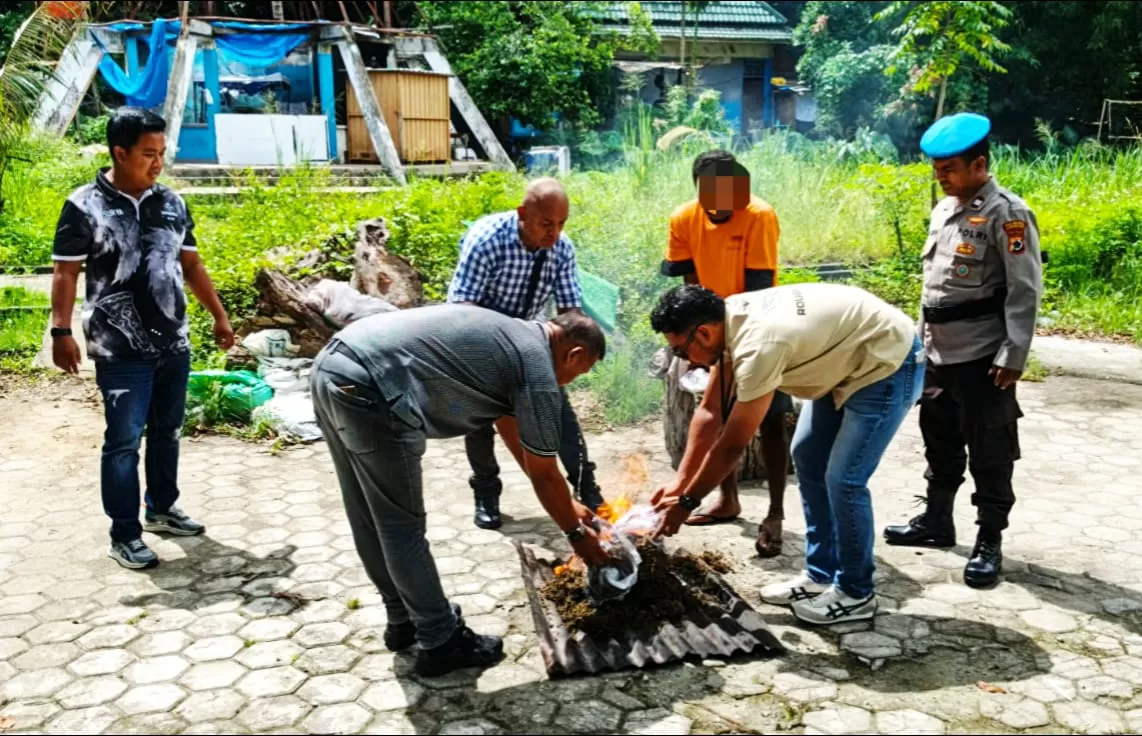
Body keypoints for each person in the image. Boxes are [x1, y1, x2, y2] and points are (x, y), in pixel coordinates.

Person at [310, 304, 611, 676]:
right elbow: (546, 474)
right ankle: (440, 641)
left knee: (366, 513)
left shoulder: (516, 339)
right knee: (399, 525)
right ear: (574, 354)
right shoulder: (538, 369)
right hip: (373, 387)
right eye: (579, 373)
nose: (570, 383)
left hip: (332, 366)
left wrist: (567, 504)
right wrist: (576, 534)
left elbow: (516, 433)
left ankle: (403, 619)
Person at [650, 283, 924, 626]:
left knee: (844, 479)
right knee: (807, 455)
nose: (684, 360)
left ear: (703, 333)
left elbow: (732, 443)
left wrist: (688, 502)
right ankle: (821, 574)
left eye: (680, 350)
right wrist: (680, 483)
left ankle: (856, 593)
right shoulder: (728, 322)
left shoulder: (760, 346)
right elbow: (710, 411)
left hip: (886, 362)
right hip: (844, 356)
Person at [50, 107, 233, 570]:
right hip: (119, 348)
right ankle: (124, 533)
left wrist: (219, 316)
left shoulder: (172, 202)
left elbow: (191, 264)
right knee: (124, 441)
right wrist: (61, 331)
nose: (158, 163)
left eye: (162, 153)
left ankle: (162, 508)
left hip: (173, 341)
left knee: (168, 432)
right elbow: (65, 272)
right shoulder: (84, 205)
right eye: (148, 154)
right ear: (120, 152)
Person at [883, 112, 1043, 589]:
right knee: (940, 441)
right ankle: (937, 520)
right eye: (937, 169)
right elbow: (932, 288)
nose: (941, 176)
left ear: (979, 165)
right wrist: (918, 344)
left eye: (949, 168)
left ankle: (989, 540)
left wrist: (1014, 352)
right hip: (937, 353)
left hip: (982, 357)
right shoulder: (944, 210)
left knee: (991, 450)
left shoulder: (1007, 214)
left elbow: (1025, 288)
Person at [447, 177, 604, 530]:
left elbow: (569, 311)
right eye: (547, 223)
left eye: (562, 223)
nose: (554, 233)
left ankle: (587, 490)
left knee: (558, 409)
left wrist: (578, 351)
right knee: (479, 420)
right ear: (522, 213)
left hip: (531, 340)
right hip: (479, 338)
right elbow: (462, 310)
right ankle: (486, 492)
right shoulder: (487, 240)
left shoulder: (562, 248)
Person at [660, 150, 791, 558]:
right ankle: (727, 498)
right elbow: (690, 288)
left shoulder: (759, 215)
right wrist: (700, 338)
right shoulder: (684, 218)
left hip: (759, 327)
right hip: (710, 331)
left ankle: (775, 512)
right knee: (715, 409)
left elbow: (759, 288)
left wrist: (736, 345)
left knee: (771, 419)